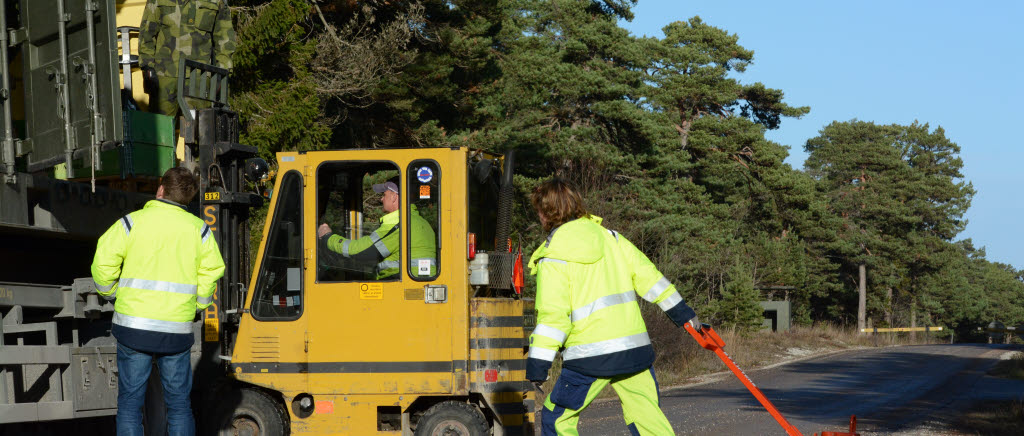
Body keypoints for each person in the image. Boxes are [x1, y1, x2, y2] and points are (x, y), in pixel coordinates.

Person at [526, 178, 701, 436]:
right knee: (649, 421)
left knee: (557, 420)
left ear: (546, 213)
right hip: (635, 352)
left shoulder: (553, 257)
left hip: (589, 357)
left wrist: (538, 365)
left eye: (539, 212)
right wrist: (684, 315)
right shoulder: (613, 239)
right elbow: (651, 279)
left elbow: (554, 319)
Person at [91, 167, 225, 436]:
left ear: (161, 190)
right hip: (175, 331)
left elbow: (103, 263)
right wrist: (198, 304)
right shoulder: (200, 230)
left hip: (133, 328)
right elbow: (212, 269)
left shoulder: (130, 223)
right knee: (179, 407)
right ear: (187, 198)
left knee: (130, 405)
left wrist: (112, 293)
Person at [318, 178, 436, 279]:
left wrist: (328, 237)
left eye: (384, 195)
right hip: (415, 282)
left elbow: (360, 251)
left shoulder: (398, 224)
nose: (381, 199)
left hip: (399, 284)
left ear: (394, 197)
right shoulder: (421, 222)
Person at [139, 0, 236, 116]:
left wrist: (222, 74)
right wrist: (147, 67)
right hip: (164, 77)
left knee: (199, 129)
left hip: (199, 78)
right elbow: (147, 34)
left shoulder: (216, 1)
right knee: (161, 129)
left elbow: (225, 39)